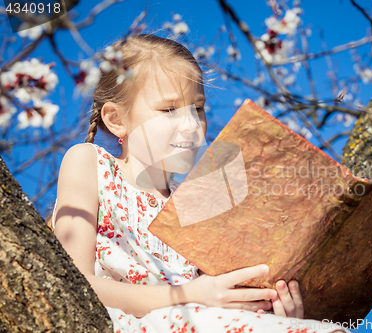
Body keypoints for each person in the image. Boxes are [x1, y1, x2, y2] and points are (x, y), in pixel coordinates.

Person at [48, 33, 348, 333]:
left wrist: (274, 310)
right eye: (169, 110)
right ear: (116, 119)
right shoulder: (90, 162)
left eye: (199, 108)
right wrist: (189, 296)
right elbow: (69, 280)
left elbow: (220, 297)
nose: (192, 125)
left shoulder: (197, 204)